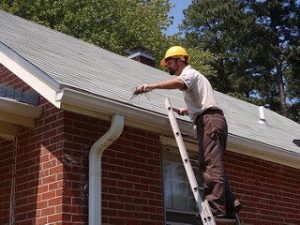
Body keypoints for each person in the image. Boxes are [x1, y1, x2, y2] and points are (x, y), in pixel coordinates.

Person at [134, 46, 242, 219]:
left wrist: (151, 86)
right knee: (215, 163)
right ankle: (230, 202)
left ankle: (215, 208)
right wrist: (187, 110)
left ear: (180, 60)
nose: (168, 66)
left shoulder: (189, 74)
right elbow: (202, 101)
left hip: (209, 122)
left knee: (210, 164)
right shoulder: (198, 77)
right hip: (212, 119)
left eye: (169, 62)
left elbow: (180, 83)